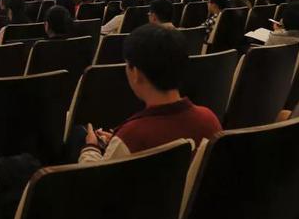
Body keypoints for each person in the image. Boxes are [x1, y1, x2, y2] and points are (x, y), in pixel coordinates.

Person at [80, 25, 221, 161]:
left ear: (136, 73)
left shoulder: (131, 137)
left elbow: (95, 177)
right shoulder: (209, 120)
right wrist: (115, 144)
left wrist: (91, 147)